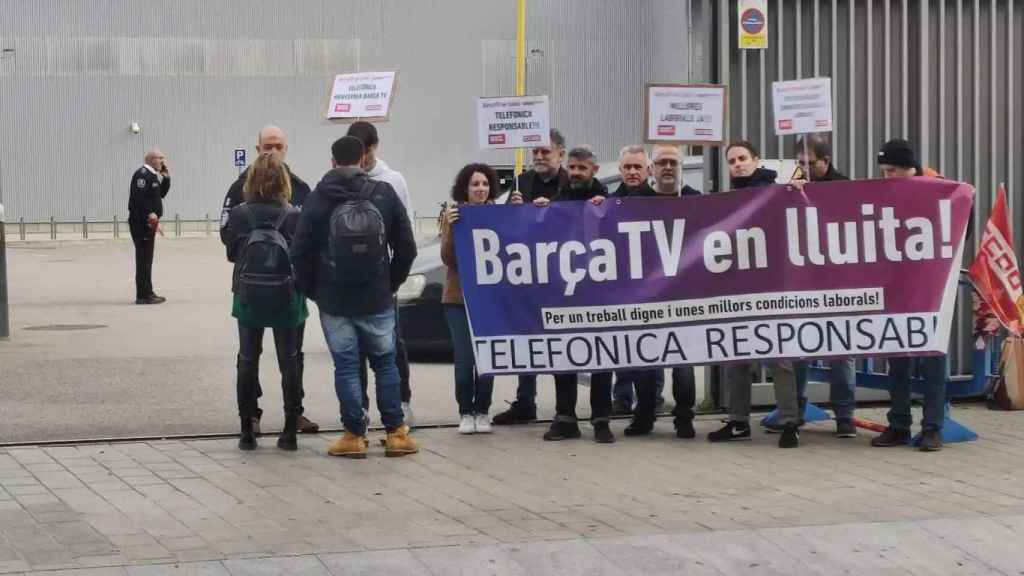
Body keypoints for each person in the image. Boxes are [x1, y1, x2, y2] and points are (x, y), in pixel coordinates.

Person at [291, 136, 418, 458]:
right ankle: (396, 434)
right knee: (386, 364)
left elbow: (300, 251)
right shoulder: (384, 194)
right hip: (377, 296)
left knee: (347, 367)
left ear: (332, 162)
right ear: (363, 159)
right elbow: (407, 248)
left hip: (334, 300)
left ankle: (354, 436)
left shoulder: (319, 198)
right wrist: (390, 282)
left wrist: (314, 291)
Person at [220, 125, 319, 436]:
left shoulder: (299, 189)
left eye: (277, 145)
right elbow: (310, 246)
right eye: (267, 145)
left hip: (251, 290)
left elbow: (229, 243)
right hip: (286, 293)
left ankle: (249, 425)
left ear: (285, 148)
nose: (271, 151)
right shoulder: (290, 206)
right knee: (287, 358)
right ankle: (283, 425)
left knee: (250, 357)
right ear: (257, 146)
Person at [707, 140, 802, 448]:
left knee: (780, 359)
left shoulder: (776, 191)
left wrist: (799, 191)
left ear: (756, 160)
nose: (737, 164)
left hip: (773, 287)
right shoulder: (726, 200)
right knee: (738, 358)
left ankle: (790, 422)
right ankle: (738, 422)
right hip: (739, 288)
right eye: (732, 160)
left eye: (742, 158)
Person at [612, 145, 701, 439]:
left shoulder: (695, 200)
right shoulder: (636, 201)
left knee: (683, 363)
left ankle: (684, 417)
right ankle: (645, 414)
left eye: (673, 162)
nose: (667, 167)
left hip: (684, 293)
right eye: (661, 162)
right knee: (646, 358)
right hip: (646, 293)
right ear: (653, 168)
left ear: (681, 166)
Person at [869, 138, 949, 452]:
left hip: (931, 288)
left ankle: (932, 429)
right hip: (898, 287)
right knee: (898, 359)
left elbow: (959, 230)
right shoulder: (889, 193)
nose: (886, 177)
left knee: (932, 361)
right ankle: (899, 425)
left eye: (891, 170)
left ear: (909, 167)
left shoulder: (941, 190)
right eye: (884, 171)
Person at [533, 146, 615, 443]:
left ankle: (601, 420)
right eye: (573, 167)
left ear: (594, 170)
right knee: (564, 353)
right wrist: (539, 212)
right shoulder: (558, 201)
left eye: (583, 168)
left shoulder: (607, 201)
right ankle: (565, 418)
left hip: (601, 291)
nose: (577, 173)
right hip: (566, 292)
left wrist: (606, 209)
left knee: (602, 357)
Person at [492, 128, 570, 426]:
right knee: (528, 340)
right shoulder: (521, 183)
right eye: (535, 151)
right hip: (528, 277)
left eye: (545, 151)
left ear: (560, 154)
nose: (538, 156)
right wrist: (512, 211)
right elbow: (505, 230)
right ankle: (526, 401)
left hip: (564, 278)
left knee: (561, 342)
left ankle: (566, 408)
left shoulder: (570, 182)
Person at [786, 134, 858, 438]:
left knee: (841, 352)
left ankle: (845, 415)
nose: (803, 168)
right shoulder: (793, 185)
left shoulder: (844, 187)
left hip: (837, 281)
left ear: (826, 161)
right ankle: (796, 409)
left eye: (809, 163)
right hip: (804, 281)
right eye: (799, 162)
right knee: (800, 349)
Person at [346, 121, 414, 426]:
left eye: (367, 152)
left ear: (375, 148)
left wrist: (394, 279)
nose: (362, 159)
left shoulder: (393, 180)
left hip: (383, 280)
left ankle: (402, 401)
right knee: (355, 349)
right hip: (351, 281)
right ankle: (360, 407)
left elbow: (405, 234)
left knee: (390, 345)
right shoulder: (343, 180)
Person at [441, 164, 503, 434]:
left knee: (486, 358)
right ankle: (466, 411)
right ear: (465, 189)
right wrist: (453, 229)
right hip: (458, 299)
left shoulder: (498, 215)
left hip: (490, 298)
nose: (481, 189)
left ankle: (483, 411)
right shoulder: (454, 216)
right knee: (465, 358)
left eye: (485, 184)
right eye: (475, 184)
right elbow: (448, 259)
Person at [128, 149, 170, 305]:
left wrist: (166, 178)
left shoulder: (152, 176)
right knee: (144, 259)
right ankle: (143, 295)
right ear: (152, 159)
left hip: (148, 223)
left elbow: (160, 195)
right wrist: (149, 213)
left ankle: (147, 292)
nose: (163, 161)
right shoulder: (142, 175)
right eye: (160, 158)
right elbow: (138, 198)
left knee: (147, 259)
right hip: (141, 223)